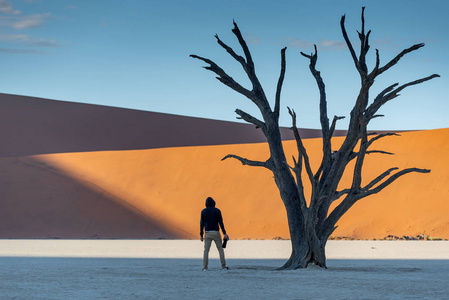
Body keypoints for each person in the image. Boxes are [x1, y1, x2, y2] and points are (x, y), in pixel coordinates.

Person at [200, 197, 229, 271]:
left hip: (207, 233)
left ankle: (205, 268)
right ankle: (223, 266)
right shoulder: (217, 211)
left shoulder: (203, 211)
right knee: (220, 249)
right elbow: (221, 222)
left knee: (206, 251)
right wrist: (224, 233)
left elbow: (201, 224)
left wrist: (201, 235)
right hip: (216, 232)